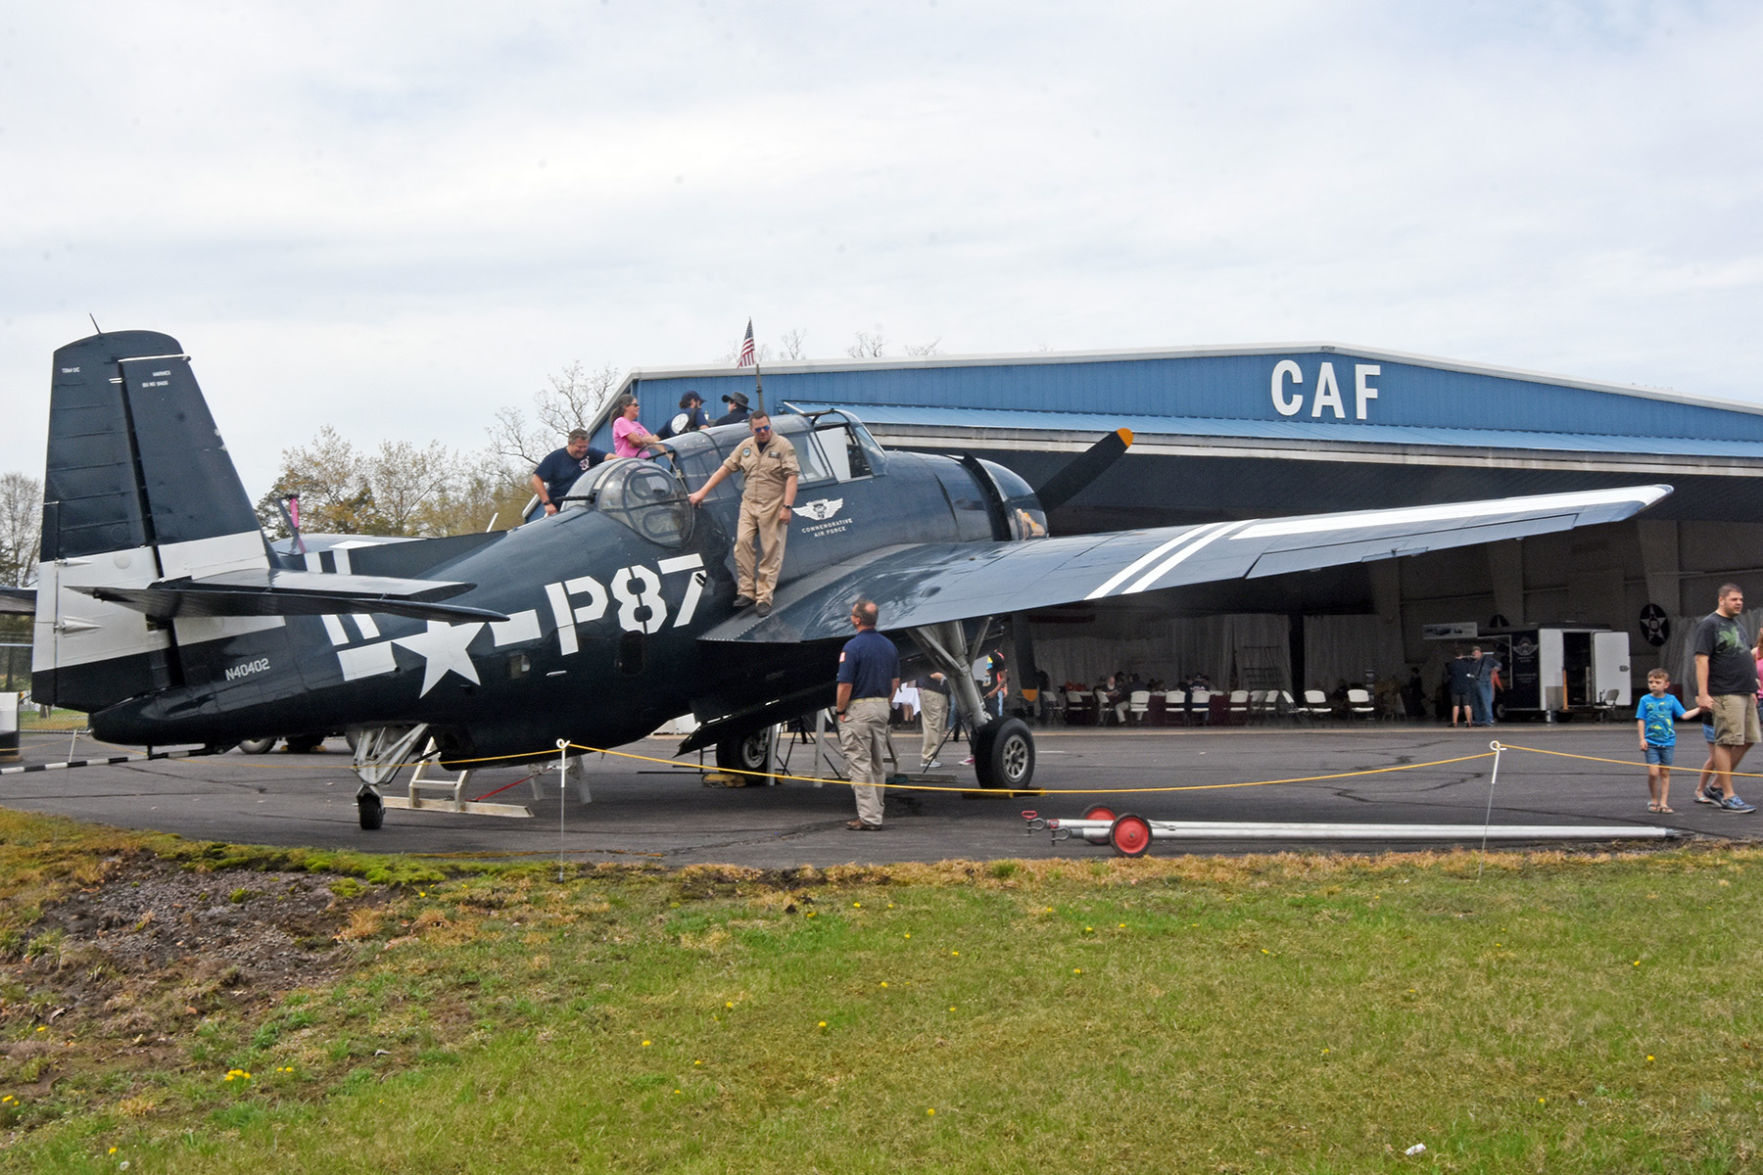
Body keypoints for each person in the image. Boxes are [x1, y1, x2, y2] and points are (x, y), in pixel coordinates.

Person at [686, 412, 800, 617]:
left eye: (766, 427)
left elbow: (792, 477)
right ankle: (747, 591)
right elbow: (725, 469)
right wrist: (702, 492)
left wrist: (787, 507)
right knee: (742, 544)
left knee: (770, 550)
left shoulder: (783, 446)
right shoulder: (745, 447)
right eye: (759, 429)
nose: (764, 432)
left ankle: (764, 597)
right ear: (751, 430)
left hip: (773, 505)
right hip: (749, 504)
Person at [1693, 583, 1759, 812]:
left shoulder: (1737, 624)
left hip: (1744, 690)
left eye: (1741, 599)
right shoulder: (1709, 625)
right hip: (1725, 690)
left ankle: (1717, 785)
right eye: (1734, 599)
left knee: (1749, 738)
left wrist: (1752, 687)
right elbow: (1701, 659)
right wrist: (1703, 693)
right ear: (1721, 600)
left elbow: (1743, 655)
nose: (1739, 603)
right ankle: (1727, 794)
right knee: (1727, 740)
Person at [835, 598, 899, 830]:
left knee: (859, 763)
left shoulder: (852, 647)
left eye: (852, 614)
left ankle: (869, 818)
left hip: (859, 708)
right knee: (876, 763)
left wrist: (841, 710)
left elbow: (845, 685)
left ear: (858, 620)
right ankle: (876, 809)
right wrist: (885, 702)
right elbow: (895, 680)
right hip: (882, 705)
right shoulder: (889, 646)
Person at [1636, 669, 1700, 814]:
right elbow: (1641, 719)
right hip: (1651, 742)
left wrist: (1699, 709)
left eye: (1657, 682)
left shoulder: (1671, 700)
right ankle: (1653, 799)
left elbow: (1683, 715)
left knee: (1664, 773)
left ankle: (1664, 802)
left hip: (1667, 743)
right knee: (1653, 773)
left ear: (1666, 684)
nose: (1653, 685)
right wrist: (1642, 739)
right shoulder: (1645, 700)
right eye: (1651, 682)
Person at [530, 428, 607, 517]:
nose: (582, 450)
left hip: (584, 506)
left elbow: (609, 457)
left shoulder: (590, 453)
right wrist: (547, 503)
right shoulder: (555, 458)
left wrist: (624, 461)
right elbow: (536, 480)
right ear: (570, 444)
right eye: (579, 447)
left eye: (585, 446)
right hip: (561, 509)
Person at [609, 393, 664, 459]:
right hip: (630, 464)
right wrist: (642, 441)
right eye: (635, 405)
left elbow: (652, 441)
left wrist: (638, 442)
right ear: (626, 406)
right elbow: (637, 440)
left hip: (645, 463)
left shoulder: (637, 424)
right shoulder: (620, 421)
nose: (638, 407)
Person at [917, 670, 950, 771]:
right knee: (933, 725)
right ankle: (928, 758)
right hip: (932, 692)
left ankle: (931, 756)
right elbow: (932, 673)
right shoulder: (934, 658)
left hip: (939, 692)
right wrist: (947, 678)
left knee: (938, 726)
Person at [1469, 645, 1498, 726]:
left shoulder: (1487, 660)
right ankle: (1478, 721)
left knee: (1486, 703)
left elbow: (1497, 664)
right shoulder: (1472, 662)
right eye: (1474, 652)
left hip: (1484, 683)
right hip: (1474, 684)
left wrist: (1494, 671)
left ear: (1480, 653)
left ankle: (1488, 720)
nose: (1475, 654)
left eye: (1476, 652)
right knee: (1476, 704)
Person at [1446, 650, 1476, 727]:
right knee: (1466, 705)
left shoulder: (1451, 664)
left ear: (1454, 656)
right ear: (1462, 655)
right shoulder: (1466, 664)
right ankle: (1469, 722)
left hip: (1455, 686)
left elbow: (1449, 674)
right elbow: (1470, 674)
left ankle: (1454, 723)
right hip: (1465, 686)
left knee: (1456, 705)